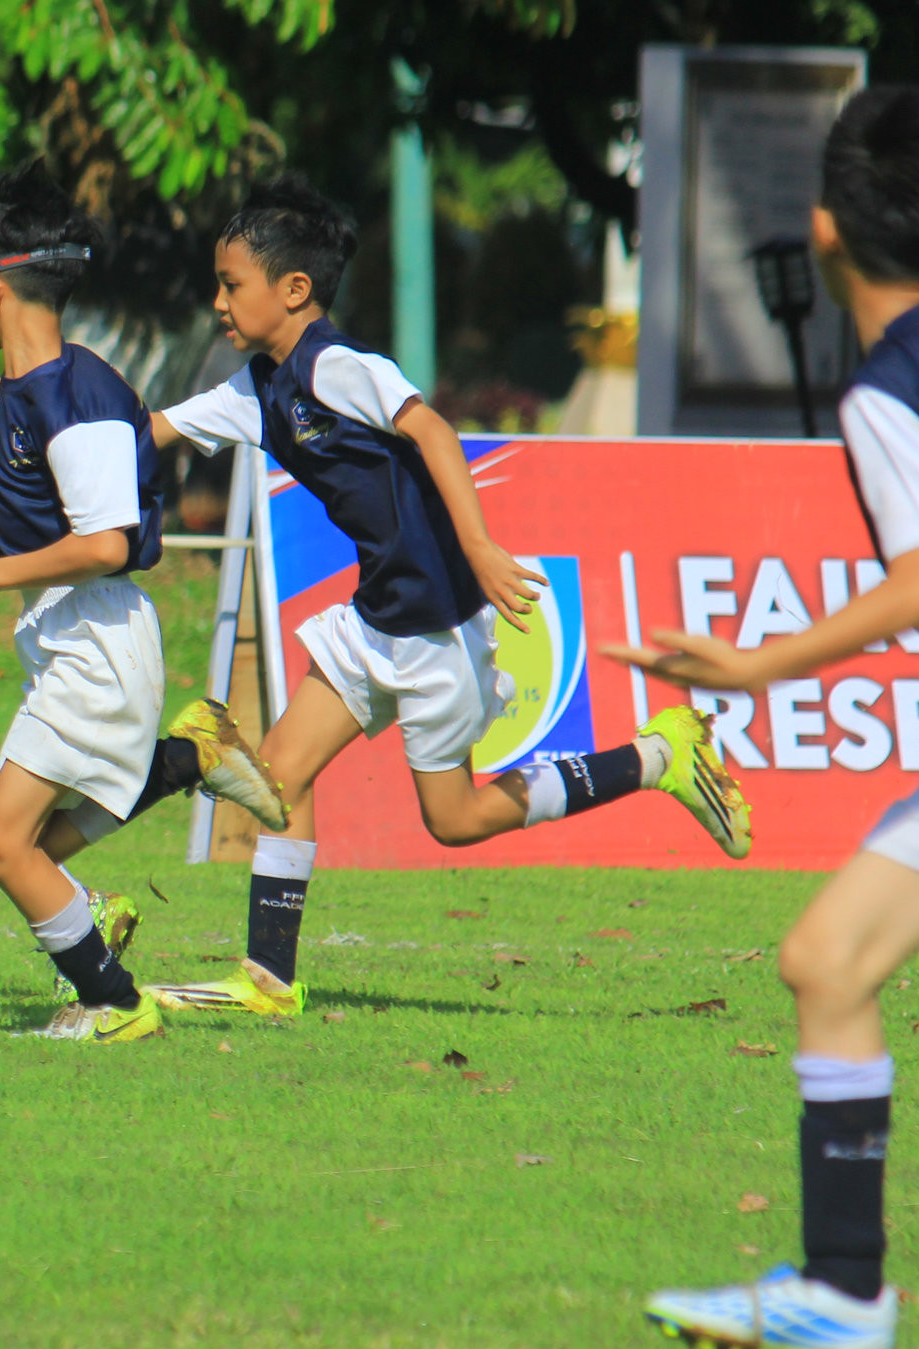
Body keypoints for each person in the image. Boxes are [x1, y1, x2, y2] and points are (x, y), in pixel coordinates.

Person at [606, 86, 919, 1349]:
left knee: (823, 958)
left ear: (822, 231)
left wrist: (750, 664)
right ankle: (839, 1294)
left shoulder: (886, 389)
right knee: (821, 957)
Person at [146, 176, 751, 1019]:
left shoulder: (342, 366)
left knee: (455, 819)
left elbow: (430, 429)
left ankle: (657, 757)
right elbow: (152, 432)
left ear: (293, 290)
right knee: (275, 778)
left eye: (230, 284)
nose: (216, 301)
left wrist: (475, 544)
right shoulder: (257, 387)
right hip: (373, 621)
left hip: (437, 632)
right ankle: (269, 979)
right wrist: (40, 411)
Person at [0, 167, 278, 1044]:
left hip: (96, 637)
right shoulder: (37, 390)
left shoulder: (71, 399)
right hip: (79, 637)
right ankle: (191, 756)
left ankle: (115, 1006)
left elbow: (110, 539)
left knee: (3, 844)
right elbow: (26, 482)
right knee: (31, 853)